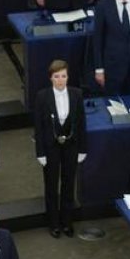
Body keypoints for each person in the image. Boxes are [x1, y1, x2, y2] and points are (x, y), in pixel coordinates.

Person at [33, 59, 87, 237]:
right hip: (50, 147)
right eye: (57, 76)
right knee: (51, 185)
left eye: (64, 76)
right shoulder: (42, 96)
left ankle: (67, 221)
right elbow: (39, 127)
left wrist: (82, 148)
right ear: (51, 78)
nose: (61, 80)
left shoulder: (76, 94)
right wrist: (40, 152)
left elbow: (81, 124)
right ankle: (54, 223)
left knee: (68, 184)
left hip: (71, 146)